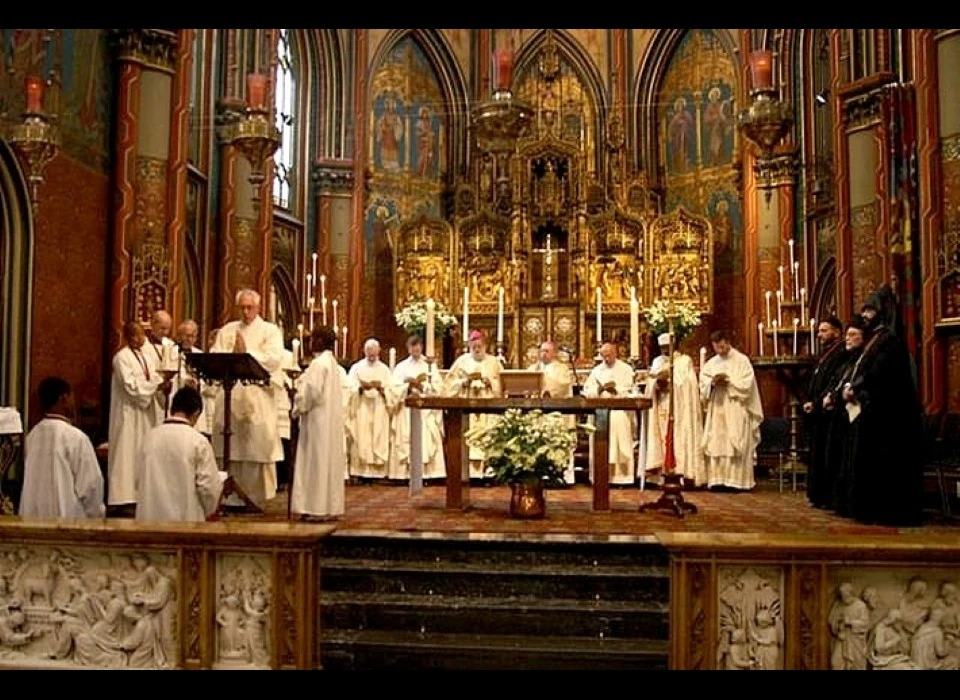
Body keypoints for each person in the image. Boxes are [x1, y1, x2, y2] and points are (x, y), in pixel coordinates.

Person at [833, 291, 924, 525]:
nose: (865, 315)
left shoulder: (890, 342)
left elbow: (881, 375)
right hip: (874, 412)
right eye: (864, 311)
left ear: (883, 312)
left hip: (891, 415)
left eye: (870, 311)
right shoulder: (874, 341)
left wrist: (858, 389)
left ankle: (889, 512)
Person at [209, 290, 284, 505]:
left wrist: (247, 352)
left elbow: (273, 359)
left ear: (258, 307)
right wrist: (232, 354)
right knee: (229, 446)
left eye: (250, 307)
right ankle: (228, 497)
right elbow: (215, 356)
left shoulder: (270, 331)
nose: (245, 311)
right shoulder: (228, 330)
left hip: (256, 397)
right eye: (242, 307)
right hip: (230, 395)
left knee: (254, 447)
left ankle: (255, 497)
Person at [19, 377, 104, 519]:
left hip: (32, 519)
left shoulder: (31, 437)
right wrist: (96, 516)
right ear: (63, 398)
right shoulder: (75, 437)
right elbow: (91, 485)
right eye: (71, 397)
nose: (73, 402)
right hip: (68, 521)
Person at [135, 386, 223, 523]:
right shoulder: (198, 441)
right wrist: (209, 511)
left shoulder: (149, 438)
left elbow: (137, 479)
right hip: (186, 525)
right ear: (196, 414)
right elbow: (209, 489)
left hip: (149, 523)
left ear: (172, 409)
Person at [107, 321, 167, 512]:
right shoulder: (121, 358)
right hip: (128, 413)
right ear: (127, 336)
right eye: (136, 335)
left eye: (142, 335)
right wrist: (155, 387)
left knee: (142, 452)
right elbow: (130, 385)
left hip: (145, 412)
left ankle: (141, 496)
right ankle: (122, 499)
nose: (141, 339)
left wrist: (163, 386)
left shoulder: (147, 357)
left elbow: (154, 379)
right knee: (127, 454)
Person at [291, 326, 347, 520]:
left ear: (321, 341)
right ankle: (328, 506)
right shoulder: (332, 363)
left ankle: (314, 506)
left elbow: (311, 393)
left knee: (315, 462)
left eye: (313, 339)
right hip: (327, 421)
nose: (310, 343)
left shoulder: (318, 364)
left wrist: (297, 403)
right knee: (326, 461)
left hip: (317, 422)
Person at [699, 330, 764, 491]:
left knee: (734, 440)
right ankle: (718, 480)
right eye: (716, 348)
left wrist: (728, 381)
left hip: (736, 406)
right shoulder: (712, 363)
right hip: (718, 406)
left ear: (727, 342)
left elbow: (747, 385)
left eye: (722, 347)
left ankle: (737, 482)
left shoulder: (742, 361)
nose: (720, 351)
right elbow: (703, 382)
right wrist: (712, 383)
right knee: (717, 442)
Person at [643, 333, 705, 488]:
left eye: (667, 348)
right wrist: (657, 383)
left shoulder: (684, 361)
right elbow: (650, 384)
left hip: (679, 407)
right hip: (661, 404)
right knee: (662, 438)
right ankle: (661, 475)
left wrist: (671, 383)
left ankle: (680, 471)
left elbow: (689, 385)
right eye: (662, 348)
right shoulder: (657, 361)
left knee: (677, 438)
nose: (665, 352)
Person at [802, 317, 848, 509]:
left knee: (826, 455)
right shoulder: (825, 354)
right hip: (818, 409)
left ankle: (826, 496)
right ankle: (818, 495)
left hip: (829, 412)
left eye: (824, 331)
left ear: (836, 332)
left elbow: (833, 382)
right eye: (819, 331)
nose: (820, 335)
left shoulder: (841, 353)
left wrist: (818, 401)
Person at [444, 330, 503, 479]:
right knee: (468, 438)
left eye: (480, 346)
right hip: (467, 404)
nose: (477, 349)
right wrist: (464, 382)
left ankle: (488, 474)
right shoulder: (461, 362)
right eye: (474, 346)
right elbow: (449, 384)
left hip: (487, 406)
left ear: (485, 346)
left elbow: (502, 384)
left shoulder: (494, 362)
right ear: (469, 346)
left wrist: (490, 382)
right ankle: (467, 473)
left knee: (488, 437)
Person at [823, 319, 866, 514]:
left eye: (852, 335)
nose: (847, 339)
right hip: (841, 415)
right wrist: (830, 395)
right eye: (847, 335)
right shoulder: (848, 361)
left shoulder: (863, 359)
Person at [389, 335, 446, 481]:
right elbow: (393, 389)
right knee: (406, 437)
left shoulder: (429, 366)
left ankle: (428, 474)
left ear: (421, 347)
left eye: (418, 346)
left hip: (425, 409)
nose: (415, 349)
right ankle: (405, 474)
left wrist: (423, 386)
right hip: (407, 409)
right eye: (412, 347)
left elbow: (439, 388)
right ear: (408, 348)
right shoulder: (401, 367)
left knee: (426, 437)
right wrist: (407, 386)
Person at [583, 341, 637, 486]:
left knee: (619, 428)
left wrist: (616, 390)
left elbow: (630, 389)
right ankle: (601, 477)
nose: (606, 359)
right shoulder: (597, 370)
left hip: (619, 410)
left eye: (609, 355)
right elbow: (587, 390)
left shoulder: (625, 369)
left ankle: (622, 478)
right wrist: (599, 390)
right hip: (600, 410)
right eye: (603, 356)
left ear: (615, 353)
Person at [347, 338, 397, 480]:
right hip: (361, 406)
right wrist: (361, 388)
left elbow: (391, 390)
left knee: (378, 435)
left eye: (374, 352)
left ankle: (378, 471)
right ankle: (360, 472)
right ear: (364, 351)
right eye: (369, 351)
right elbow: (349, 387)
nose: (371, 354)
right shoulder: (356, 368)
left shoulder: (384, 369)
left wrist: (382, 389)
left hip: (379, 406)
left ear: (379, 351)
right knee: (362, 436)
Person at [528, 340, 576, 484]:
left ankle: (561, 476)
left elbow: (563, 385)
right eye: (541, 351)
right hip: (538, 413)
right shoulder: (532, 368)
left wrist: (546, 388)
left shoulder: (562, 369)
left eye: (547, 351)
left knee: (558, 443)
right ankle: (539, 475)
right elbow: (525, 385)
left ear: (554, 353)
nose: (543, 354)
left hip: (557, 412)